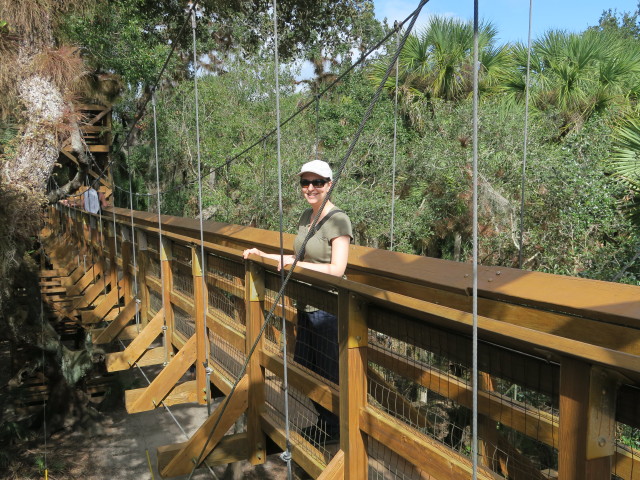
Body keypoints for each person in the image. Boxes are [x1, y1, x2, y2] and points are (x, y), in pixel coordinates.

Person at [242, 159, 352, 445]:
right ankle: (329, 423)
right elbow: (299, 258)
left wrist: (297, 269)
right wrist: (264, 256)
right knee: (305, 365)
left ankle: (338, 429)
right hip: (306, 303)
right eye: (306, 182)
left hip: (328, 308)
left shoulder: (338, 219)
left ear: (329, 185)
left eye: (317, 182)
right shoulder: (306, 217)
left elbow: (337, 270)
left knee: (329, 374)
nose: (311, 188)